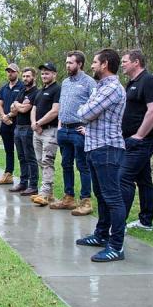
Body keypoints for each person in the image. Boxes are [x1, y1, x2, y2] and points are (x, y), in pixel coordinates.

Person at [75, 48, 127, 262]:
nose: (92, 66)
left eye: (95, 62)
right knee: (102, 196)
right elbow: (88, 111)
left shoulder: (112, 88)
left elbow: (84, 113)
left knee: (113, 197)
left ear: (105, 64)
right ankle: (101, 235)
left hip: (107, 148)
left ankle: (116, 246)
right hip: (95, 147)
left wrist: (84, 109)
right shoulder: (100, 87)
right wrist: (86, 109)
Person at [119, 49, 153, 231]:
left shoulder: (149, 80)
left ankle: (118, 223)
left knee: (123, 177)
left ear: (136, 62)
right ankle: (146, 221)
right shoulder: (132, 82)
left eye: (125, 61)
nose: (122, 64)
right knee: (144, 180)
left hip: (143, 141)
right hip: (131, 139)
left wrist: (139, 136)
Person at [51, 51, 97, 216]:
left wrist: (88, 128)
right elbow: (62, 105)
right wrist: (60, 126)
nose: (67, 65)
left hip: (79, 130)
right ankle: (69, 198)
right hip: (64, 130)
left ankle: (85, 201)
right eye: (67, 62)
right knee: (65, 164)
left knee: (82, 166)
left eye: (71, 63)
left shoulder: (89, 82)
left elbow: (96, 107)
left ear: (80, 64)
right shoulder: (65, 82)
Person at [30, 63, 61, 206]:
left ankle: (44, 193)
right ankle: (48, 193)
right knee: (39, 160)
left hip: (50, 131)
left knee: (47, 161)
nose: (44, 76)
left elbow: (55, 111)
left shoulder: (57, 89)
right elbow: (33, 109)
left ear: (54, 74)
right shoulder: (40, 91)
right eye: (42, 73)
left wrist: (39, 124)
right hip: (38, 131)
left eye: (47, 73)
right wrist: (34, 124)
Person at [9, 68, 39, 195]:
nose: (25, 78)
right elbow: (13, 108)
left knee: (30, 157)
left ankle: (33, 185)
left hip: (28, 128)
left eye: (28, 76)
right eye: (24, 76)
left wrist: (18, 105)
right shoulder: (22, 90)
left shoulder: (35, 93)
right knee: (21, 157)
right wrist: (17, 104)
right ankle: (23, 183)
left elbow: (24, 110)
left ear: (34, 77)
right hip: (18, 127)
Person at [0, 64, 25, 185]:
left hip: (18, 123)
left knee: (22, 152)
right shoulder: (4, 88)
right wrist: (3, 116)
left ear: (17, 72)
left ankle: (25, 179)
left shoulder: (22, 86)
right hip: (5, 123)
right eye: (8, 71)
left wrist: (9, 116)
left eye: (12, 71)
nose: (10, 73)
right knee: (8, 150)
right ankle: (8, 174)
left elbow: (23, 105)